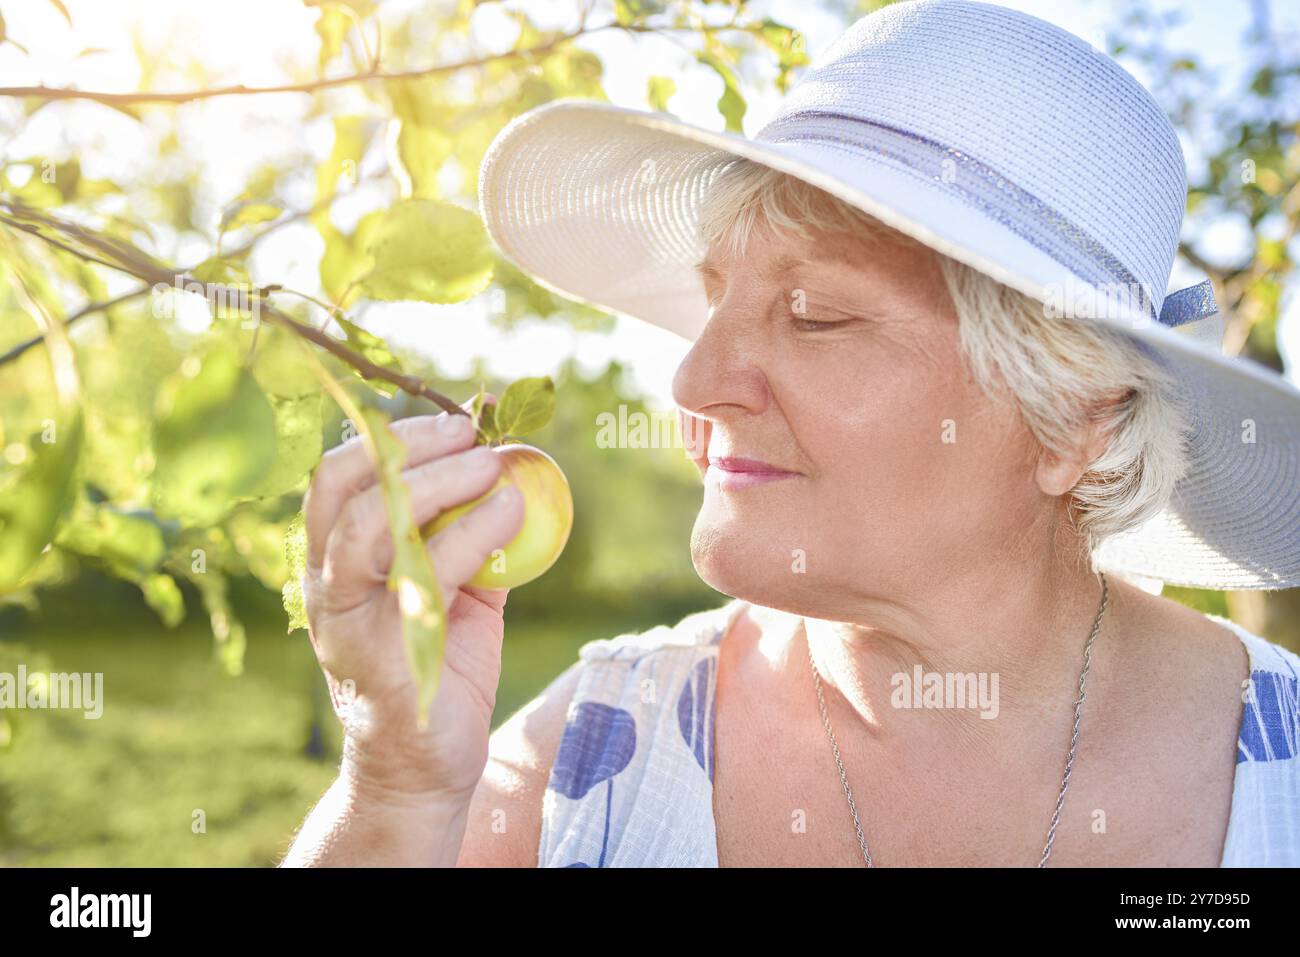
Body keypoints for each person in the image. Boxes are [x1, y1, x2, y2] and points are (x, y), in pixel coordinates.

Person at [282, 0, 1300, 867]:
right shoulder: (597, 754)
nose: (693, 378)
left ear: (1078, 415)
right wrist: (399, 792)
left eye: (815, 314)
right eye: (713, 297)